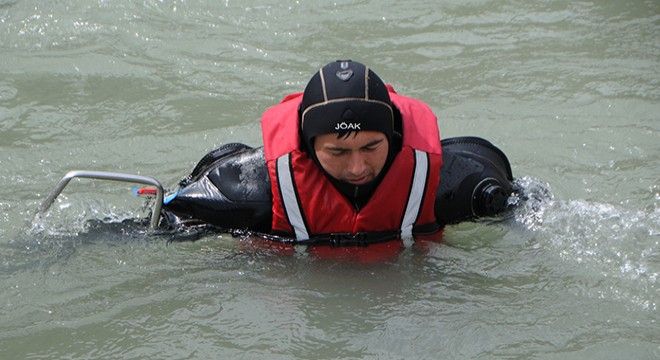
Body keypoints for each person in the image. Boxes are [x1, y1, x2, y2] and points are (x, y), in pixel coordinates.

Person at [261, 60, 443, 245]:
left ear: (392, 136)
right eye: (338, 152)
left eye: (370, 148)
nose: (357, 168)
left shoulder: (437, 180)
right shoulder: (261, 192)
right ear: (308, 145)